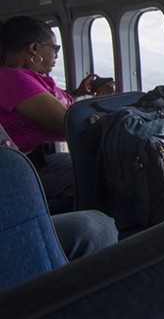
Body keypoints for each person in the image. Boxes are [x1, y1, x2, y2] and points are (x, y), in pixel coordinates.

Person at [0, 16, 115, 214]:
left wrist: (77, 93)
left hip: (42, 160)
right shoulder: (13, 79)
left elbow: (44, 106)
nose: (56, 55)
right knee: (113, 175)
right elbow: (67, 124)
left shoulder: (31, 79)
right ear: (34, 48)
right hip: (25, 169)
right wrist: (100, 103)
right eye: (54, 48)